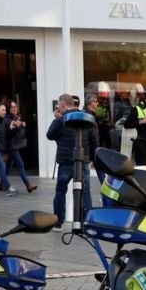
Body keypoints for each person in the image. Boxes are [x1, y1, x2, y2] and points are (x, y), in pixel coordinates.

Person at [47, 93, 99, 231]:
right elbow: (95, 141)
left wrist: (56, 120)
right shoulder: (87, 119)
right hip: (82, 161)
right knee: (85, 192)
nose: (58, 108)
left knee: (60, 191)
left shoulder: (61, 120)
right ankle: (87, 222)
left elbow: (50, 135)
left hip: (65, 162)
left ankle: (58, 222)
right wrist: (93, 158)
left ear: (63, 105)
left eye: (59, 105)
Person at [3, 101, 37, 193]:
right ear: (8, 109)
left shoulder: (16, 117)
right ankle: (28, 185)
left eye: (15, 107)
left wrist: (21, 123)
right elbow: (12, 127)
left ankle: (2, 184)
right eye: (12, 107)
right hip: (11, 145)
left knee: (7, 165)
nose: (14, 108)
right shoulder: (7, 119)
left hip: (14, 145)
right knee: (20, 164)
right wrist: (21, 124)